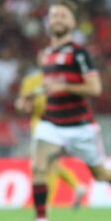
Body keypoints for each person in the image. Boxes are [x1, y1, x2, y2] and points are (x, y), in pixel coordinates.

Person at [25, 0, 111, 221]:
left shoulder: (79, 53)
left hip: (80, 127)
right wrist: (32, 98)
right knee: (38, 167)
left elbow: (95, 87)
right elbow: (50, 88)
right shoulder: (45, 55)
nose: (57, 19)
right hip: (52, 124)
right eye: (54, 15)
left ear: (72, 22)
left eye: (62, 15)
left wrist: (64, 86)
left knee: (100, 174)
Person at [15, 67, 86, 209]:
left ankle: (48, 202)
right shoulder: (36, 81)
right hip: (47, 126)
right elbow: (24, 105)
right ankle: (77, 186)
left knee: (46, 165)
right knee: (50, 164)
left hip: (50, 126)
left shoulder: (54, 80)